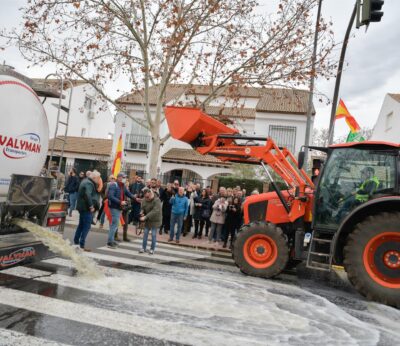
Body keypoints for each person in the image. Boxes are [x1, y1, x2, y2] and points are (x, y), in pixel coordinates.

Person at [73, 170, 101, 251]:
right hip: (86, 208)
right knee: (87, 226)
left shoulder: (86, 181)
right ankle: (81, 245)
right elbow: (87, 194)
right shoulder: (89, 183)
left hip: (82, 207)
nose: (99, 180)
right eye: (98, 178)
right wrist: (91, 206)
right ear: (95, 177)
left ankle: (76, 243)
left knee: (81, 225)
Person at [107, 173, 135, 249]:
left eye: (125, 178)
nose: (125, 179)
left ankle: (111, 240)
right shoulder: (114, 185)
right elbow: (110, 196)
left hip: (119, 207)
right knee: (114, 225)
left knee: (115, 225)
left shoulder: (122, 186)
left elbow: (128, 193)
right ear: (119, 178)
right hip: (114, 207)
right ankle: (110, 241)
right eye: (124, 177)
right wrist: (120, 202)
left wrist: (135, 198)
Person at [139, 188, 162, 254]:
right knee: (145, 233)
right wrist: (142, 212)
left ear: (151, 194)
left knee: (153, 234)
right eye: (146, 197)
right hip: (148, 220)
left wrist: (145, 217)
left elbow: (155, 211)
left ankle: (152, 249)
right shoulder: (144, 200)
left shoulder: (157, 200)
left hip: (155, 220)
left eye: (148, 196)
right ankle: (143, 248)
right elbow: (142, 208)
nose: (147, 198)